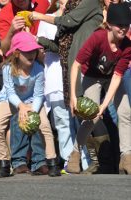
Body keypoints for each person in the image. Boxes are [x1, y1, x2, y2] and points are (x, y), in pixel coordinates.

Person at [68, 2, 131, 174]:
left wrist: (105, 105)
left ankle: (126, 157)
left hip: (111, 78)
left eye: (126, 25)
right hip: (91, 76)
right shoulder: (97, 38)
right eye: (120, 25)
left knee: (125, 111)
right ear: (109, 24)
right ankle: (75, 152)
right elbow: (76, 65)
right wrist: (73, 96)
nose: (123, 29)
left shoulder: (127, 46)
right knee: (92, 116)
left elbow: (118, 76)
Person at [36, 0, 90, 173]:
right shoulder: (46, 19)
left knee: (80, 120)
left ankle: (86, 160)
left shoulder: (78, 18)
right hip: (54, 77)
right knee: (62, 122)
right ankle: (68, 160)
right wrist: (38, 44)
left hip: (75, 78)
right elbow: (39, 51)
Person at [1, 31, 61, 177]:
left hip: (34, 101)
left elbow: (39, 94)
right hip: (14, 100)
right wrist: (21, 106)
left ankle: (44, 162)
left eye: (33, 50)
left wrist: (32, 111)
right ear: (16, 53)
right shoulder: (7, 69)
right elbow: (10, 92)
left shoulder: (39, 69)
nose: (31, 54)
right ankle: (9, 163)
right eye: (26, 51)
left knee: (41, 124)